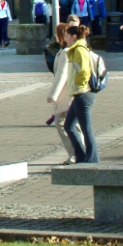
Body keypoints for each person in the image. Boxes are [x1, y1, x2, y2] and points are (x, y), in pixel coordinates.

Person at [62, 25, 100, 164]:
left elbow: (84, 71)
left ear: (74, 37)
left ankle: (92, 160)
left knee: (86, 130)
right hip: (81, 93)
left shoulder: (79, 49)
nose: (65, 39)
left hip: (83, 93)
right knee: (69, 126)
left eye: (67, 36)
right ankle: (82, 156)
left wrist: (77, 85)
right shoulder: (78, 48)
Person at [45, 22, 78, 165]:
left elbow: (62, 75)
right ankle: (77, 153)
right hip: (70, 93)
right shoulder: (67, 51)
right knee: (70, 123)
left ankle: (75, 153)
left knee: (63, 122)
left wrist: (53, 95)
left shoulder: (65, 53)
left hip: (65, 94)